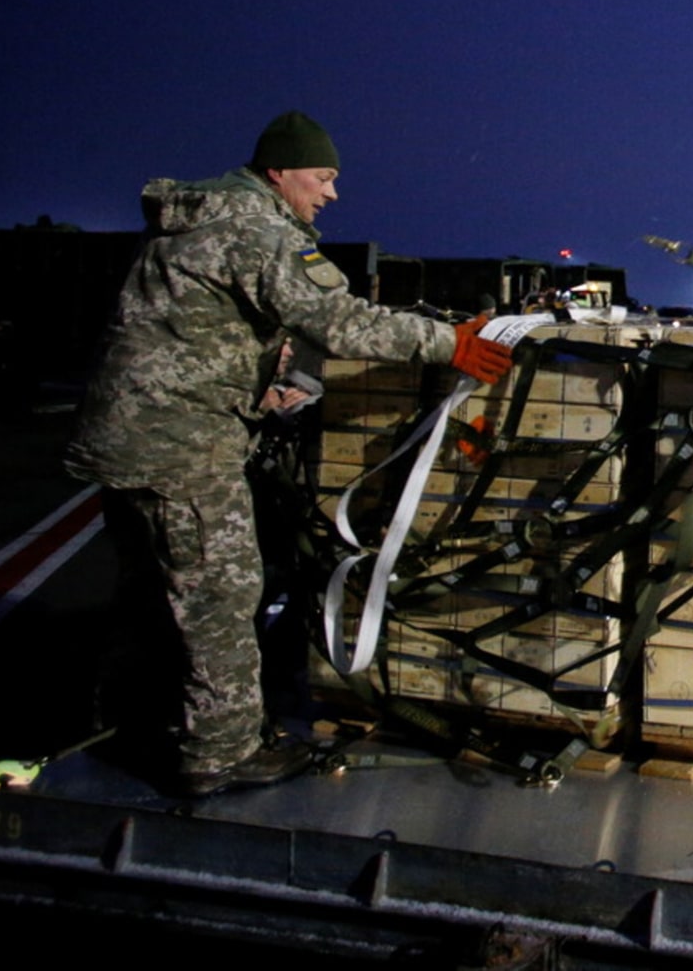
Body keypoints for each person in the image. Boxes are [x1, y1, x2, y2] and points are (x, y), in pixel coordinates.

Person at [65, 111, 513, 797]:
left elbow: (204, 329)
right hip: (184, 443)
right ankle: (221, 752)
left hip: (128, 435)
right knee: (219, 595)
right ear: (278, 172)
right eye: (321, 177)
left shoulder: (197, 220)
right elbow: (337, 321)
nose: (331, 193)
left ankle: (129, 720)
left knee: (150, 589)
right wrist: (448, 343)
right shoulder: (255, 228)